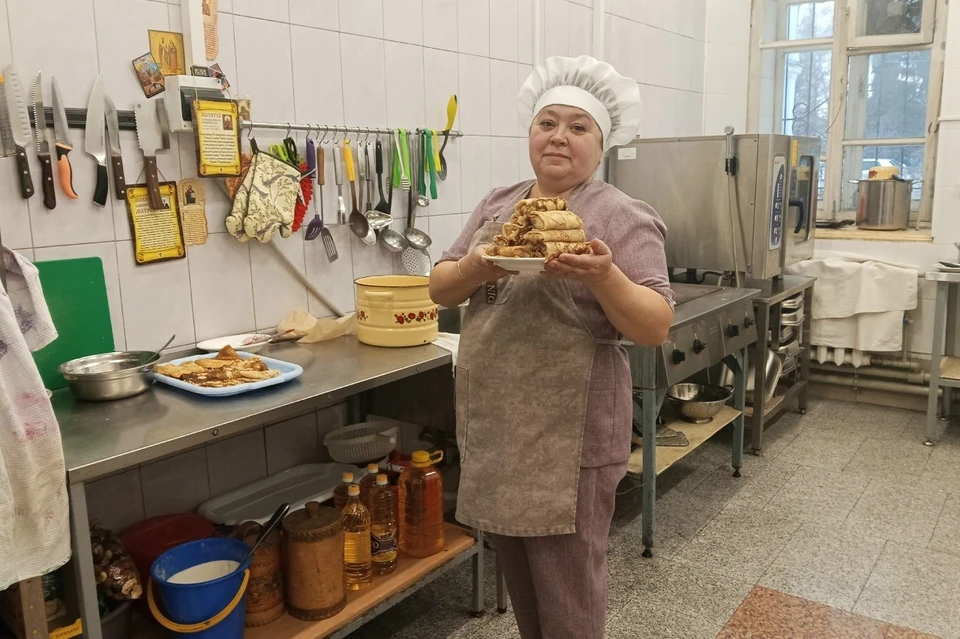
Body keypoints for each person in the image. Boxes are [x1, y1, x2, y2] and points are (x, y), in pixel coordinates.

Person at [430, 55, 674, 639]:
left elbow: (655, 325)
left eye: (578, 126)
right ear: (530, 133)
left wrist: (604, 276)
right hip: (501, 429)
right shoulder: (499, 205)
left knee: (567, 595)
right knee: (523, 586)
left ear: (602, 143)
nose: (559, 136)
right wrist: (476, 265)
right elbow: (440, 288)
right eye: (547, 123)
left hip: (571, 440)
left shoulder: (619, 215)